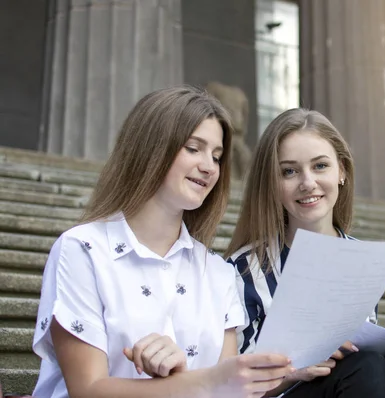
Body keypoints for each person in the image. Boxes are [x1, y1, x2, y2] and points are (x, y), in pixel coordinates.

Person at [31, 85, 293, 398]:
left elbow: (229, 391)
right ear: (152, 147)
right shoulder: (82, 250)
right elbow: (88, 390)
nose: (209, 166)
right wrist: (202, 382)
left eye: (217, 156)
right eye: (193, 148)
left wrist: (291, 372)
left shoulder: (218, 272)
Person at [225, 108, 385, 397]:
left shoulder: (361, 258)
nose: (308, 182)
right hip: (287, 392)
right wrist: (296, 371)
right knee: (365, 368)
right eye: (289, 171)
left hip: (354, 383)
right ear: (273, 183)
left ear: (341, 171)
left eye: (320, 166)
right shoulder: (244, 268)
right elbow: (232, 384)